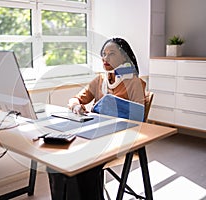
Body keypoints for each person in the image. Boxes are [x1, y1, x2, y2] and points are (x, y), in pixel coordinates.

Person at [47, 37, 146, 200]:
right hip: (93, 135)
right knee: (59, 161)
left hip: (119, 140)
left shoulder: (134, 82)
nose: (105, 58)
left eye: (111, 54)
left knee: (82, 165)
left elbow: (138, 120)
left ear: (124, 58)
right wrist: (76, 105)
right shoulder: (100, 80)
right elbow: (75, 99)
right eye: (103, 54)